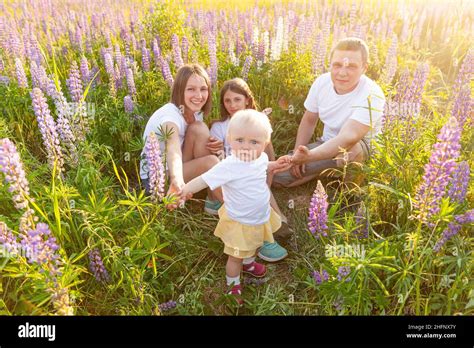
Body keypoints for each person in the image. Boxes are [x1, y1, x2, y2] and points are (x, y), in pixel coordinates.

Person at [178, 110, 291, 303]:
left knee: (255, 243)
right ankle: (233, 285)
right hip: (240, 221)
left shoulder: (261, 158)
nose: (246, 146)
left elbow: (265, 166)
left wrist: (276, 164)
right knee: (235, 257)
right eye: (240, 140)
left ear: (265, 143)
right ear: (229, 139)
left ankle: (249, 263)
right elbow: (204, 179)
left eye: (254, 142)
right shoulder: (229, 165)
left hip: (259, 216)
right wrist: (184, 190)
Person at [273, 37, 385, 187]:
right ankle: (324, 170)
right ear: (330, 63)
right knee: (276, 176)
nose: (342, 73)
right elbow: (309, 120)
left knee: (350, 153)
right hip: (326, 144)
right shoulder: (322, 82)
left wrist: (309, 157)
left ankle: (349, 195)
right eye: (337, 65)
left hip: (359, 150)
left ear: (364, 68)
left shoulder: (372, 93)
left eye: (351, 66)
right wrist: (297, 154)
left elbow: (349, 137)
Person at [207, 78, 291, 263]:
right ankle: (264, 238)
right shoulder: (219, 127)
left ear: (247, 99)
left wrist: (267, 176)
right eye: (227, 101)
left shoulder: (256, 121)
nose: (232, 105)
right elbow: (215, 161)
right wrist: (218, 146)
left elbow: (266, 154)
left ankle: (276, 220)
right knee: (250, 193)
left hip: (254, 175)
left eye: (237, 99)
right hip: (231, 180)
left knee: (258, 184)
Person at [139, 64, 223, 213]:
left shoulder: (195, 112)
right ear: (180, 90)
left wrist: (213, 144)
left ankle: (213, 199)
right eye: (191, 89)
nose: (199, 95)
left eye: (203, 89)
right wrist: (176, 180)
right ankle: (241, 214)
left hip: (175, 169)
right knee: (211, 162)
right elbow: (173, 148)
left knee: (199, 128)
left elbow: (192, 141)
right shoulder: (169, 116)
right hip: (158, 181)